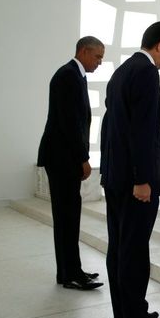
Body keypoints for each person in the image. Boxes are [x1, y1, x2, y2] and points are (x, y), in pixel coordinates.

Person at [100, 20, 160, 318]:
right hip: (134, 182)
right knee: (135, 250)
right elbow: (142, 132)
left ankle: (124, 314)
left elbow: (111, 128)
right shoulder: (147, 73)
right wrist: (142, 179)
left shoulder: (122, 71)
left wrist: (110, 173)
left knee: (119, 247)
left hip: (114, 178)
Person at [37, 36, 104, 290]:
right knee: (67, 216)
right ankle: (70, 273)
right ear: (84, 51)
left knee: (69, 216)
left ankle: (69, 272)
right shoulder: (67, 76)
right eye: (97, 57)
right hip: (63, 158)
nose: (99, 63)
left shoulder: (75, 75)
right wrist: (83, 159)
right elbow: (69, 123)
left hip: (64, 157)